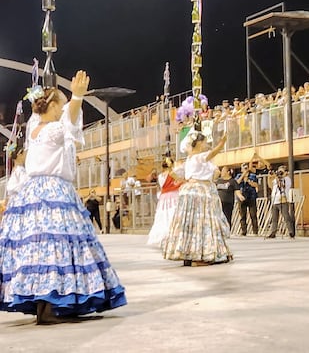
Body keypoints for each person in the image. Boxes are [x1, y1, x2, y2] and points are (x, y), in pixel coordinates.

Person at [0, 71, 127, 323]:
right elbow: (69, 121)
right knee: (57, 246)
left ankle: (44, 307)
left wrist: (62, 97)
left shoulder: (35, 127)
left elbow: (59, 117)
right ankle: (52, 307)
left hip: (32, 193)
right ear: (54, 105)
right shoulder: (55, 129)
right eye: (62, 101)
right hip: (53, 190)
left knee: (38, 248)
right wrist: (78, 96)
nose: (64, 106)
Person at [163, 132, 232, 266]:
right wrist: (222, 143)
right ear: (199, 143)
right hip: (201, 192)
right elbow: (212, 153)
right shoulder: (198, 157)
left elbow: (175, 175)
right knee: (203, 223)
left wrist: (172, 168)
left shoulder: (188, 160)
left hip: (190, 190)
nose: (206, 145)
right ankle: (200, 256)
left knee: (191, 224)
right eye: (205, 142)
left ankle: (188, 254)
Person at [147, 157, 183, 247]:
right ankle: (173, 237)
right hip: (173, 195)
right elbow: (178, 182)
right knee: (172, 215)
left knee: (163, 216)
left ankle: (162, 239)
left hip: (163, 197)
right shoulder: (172, 174)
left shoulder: (160, 176)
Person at [266, 166, 295, 239]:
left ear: (285, 172)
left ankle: (291, 232)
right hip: (275, 200)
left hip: (282, 200)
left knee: (286, 216)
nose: (280, 174)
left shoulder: (287, 179)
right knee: (274, 218)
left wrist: (279, 179)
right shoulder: (276, 179)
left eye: (281, 172)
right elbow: (270, 186)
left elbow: (283, 186)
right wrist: (269, 177)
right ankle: (273, 232)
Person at [235, 160, 259, 235]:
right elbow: (237, 183)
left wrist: (248, 181)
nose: (245, 169)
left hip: (251, 197)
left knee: (253, 215)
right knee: (242, 215)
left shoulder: (253, 176)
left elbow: (256, 185)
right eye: (243, 168)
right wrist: (243, 175)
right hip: (242, 197)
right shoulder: (239, 176)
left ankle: (255, 231)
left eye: (246, 168)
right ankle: (244, 231)